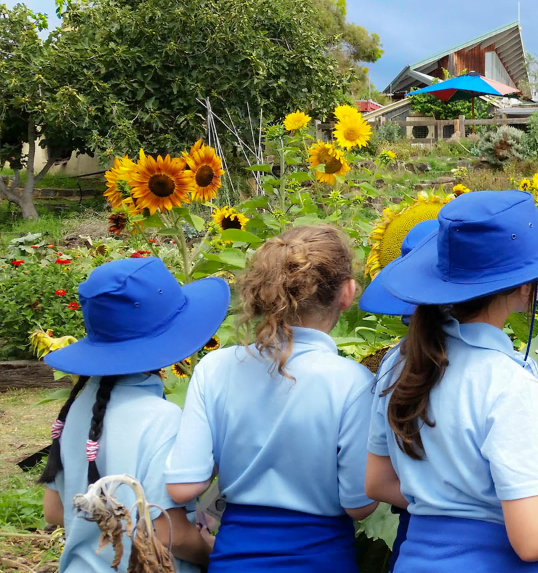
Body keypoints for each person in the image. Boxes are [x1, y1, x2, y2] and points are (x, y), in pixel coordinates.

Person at [364, 190, 538, 572]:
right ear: (527, 286)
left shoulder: (398, 362)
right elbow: (533, 539)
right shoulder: (507, 381)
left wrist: (447, 501)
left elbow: (376, 482)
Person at [165, 225, 377, 573]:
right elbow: (359, 505)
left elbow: (184, 484)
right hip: (321, 561)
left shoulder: (215, 368)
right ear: (347, 292)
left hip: (233, 559)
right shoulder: (352, 381)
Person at [41, 257, 226, 572]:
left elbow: (55, 510)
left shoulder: (75, 407)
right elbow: (170, 535)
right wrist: (219, 556)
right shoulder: (162, 419)